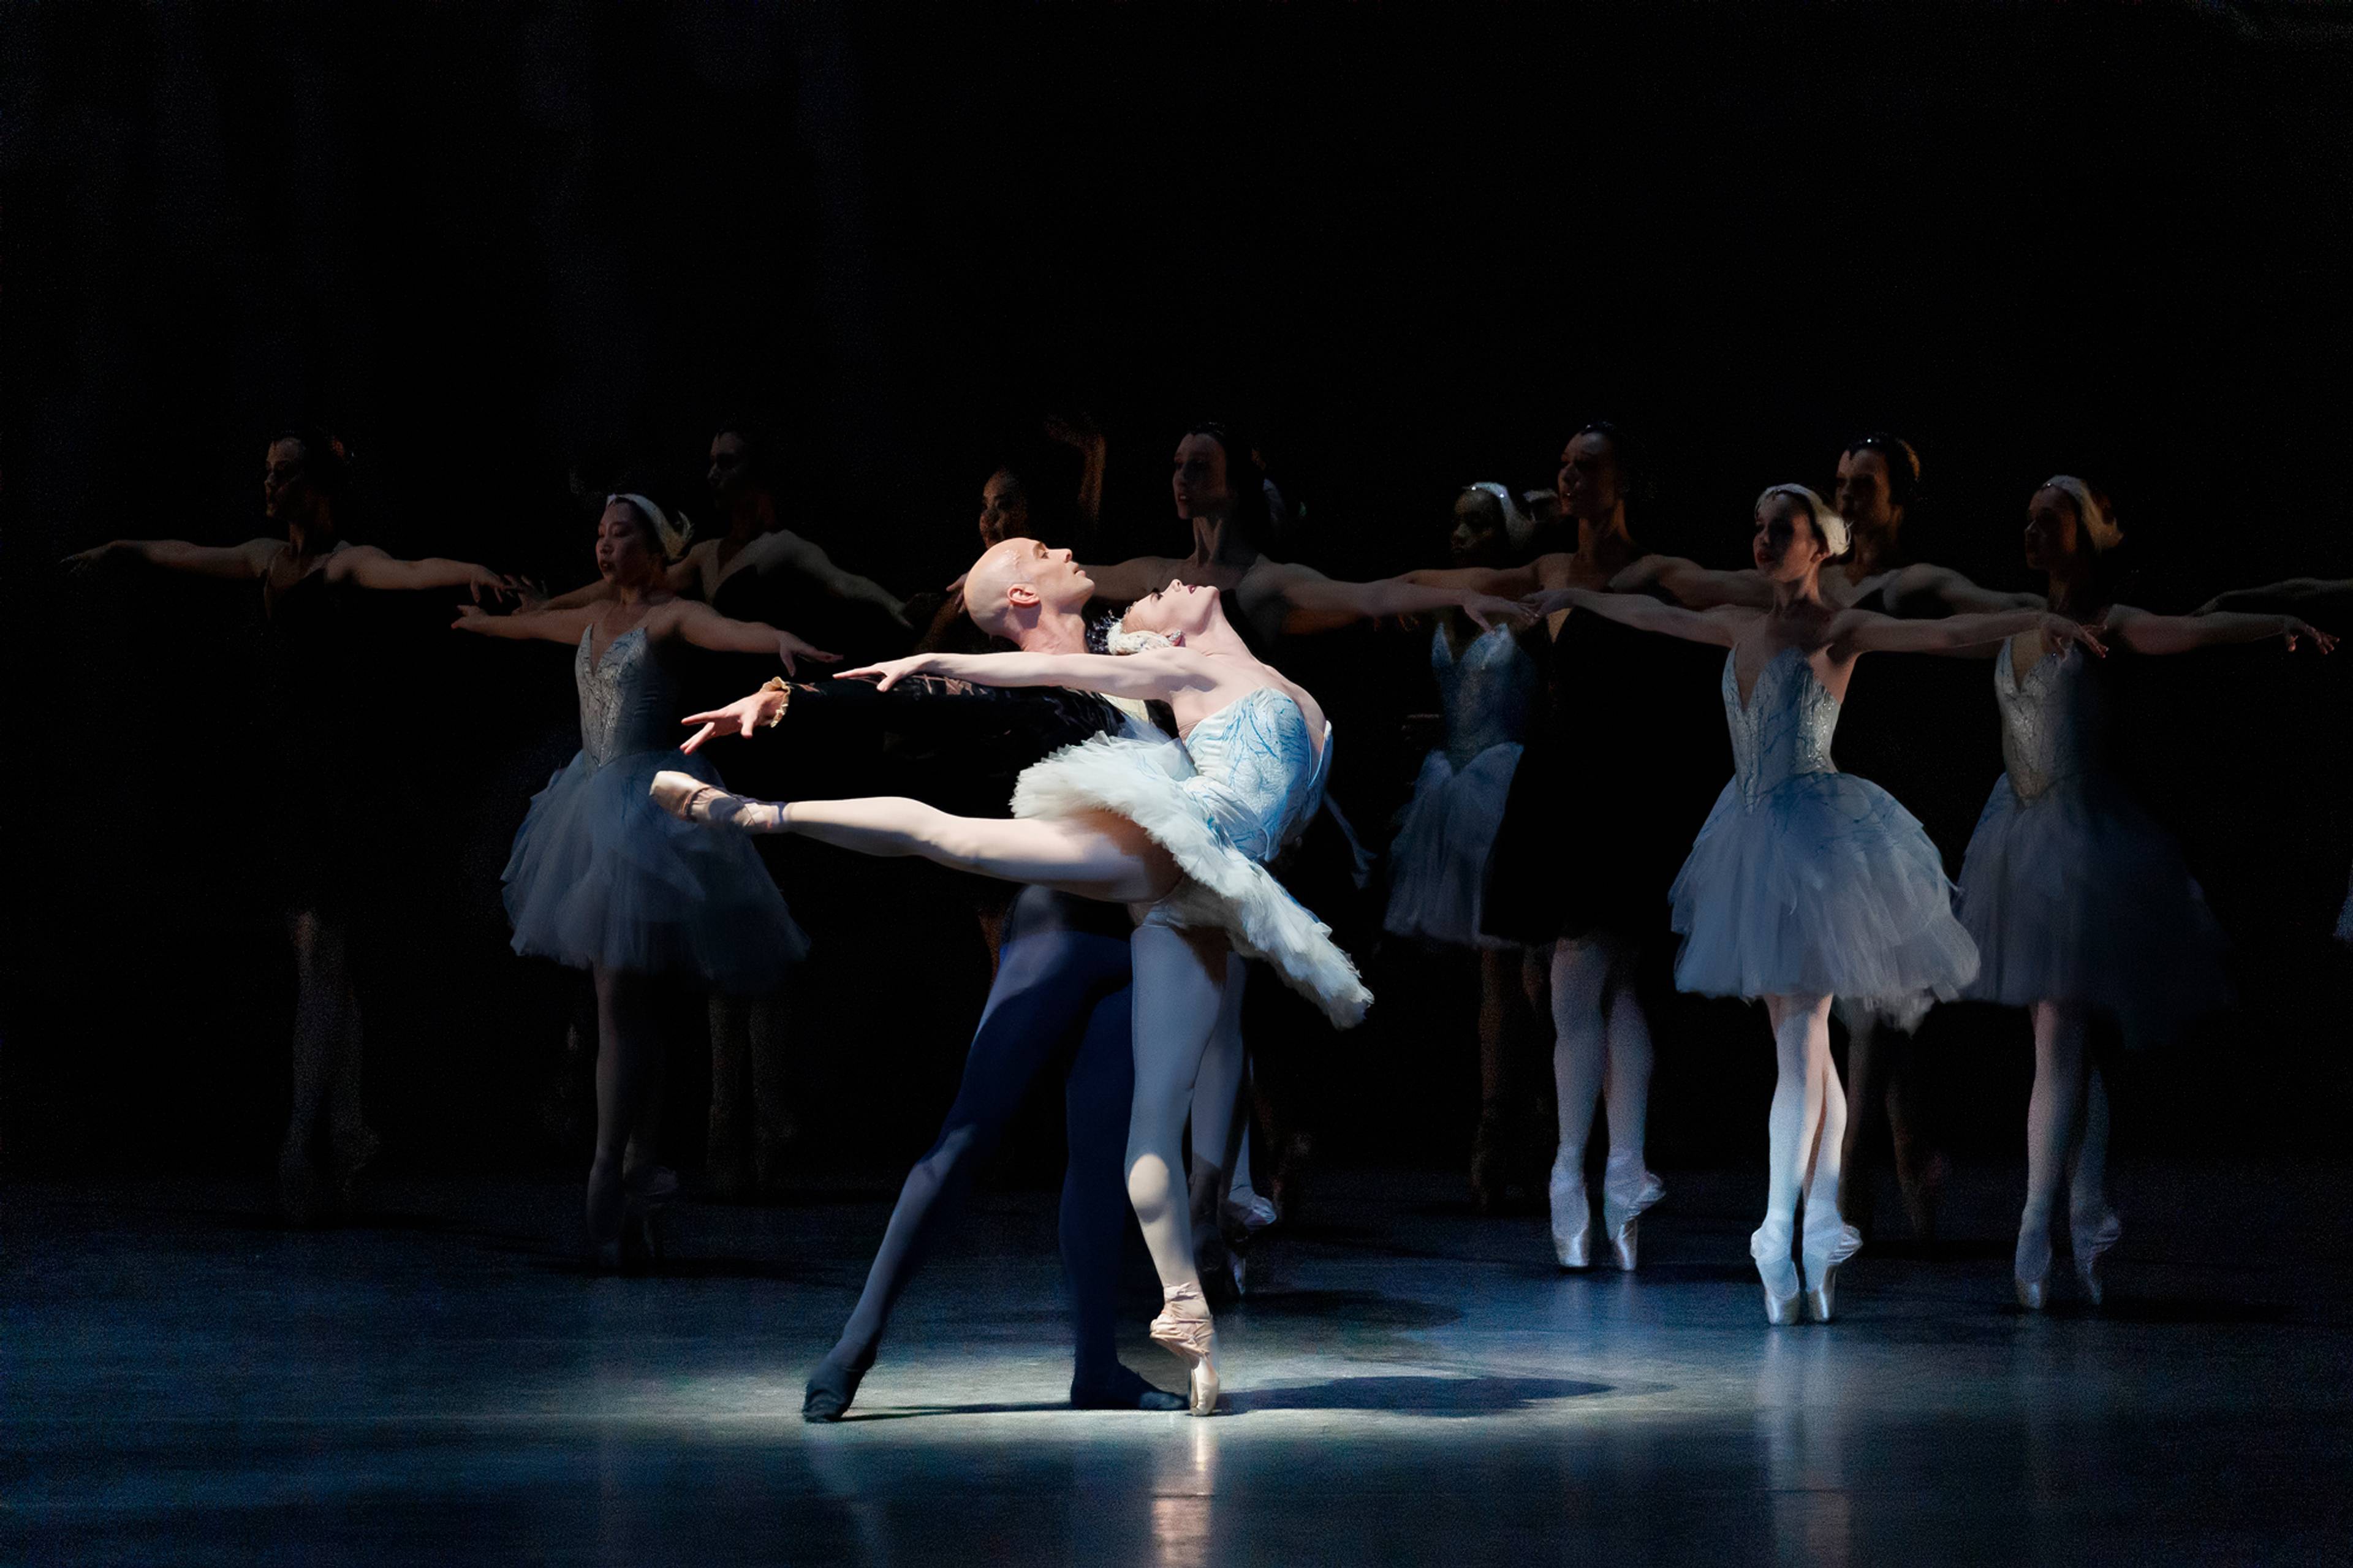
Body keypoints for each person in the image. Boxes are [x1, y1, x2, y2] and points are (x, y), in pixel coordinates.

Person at [657, 551, 1371, 1414]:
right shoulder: (1013, 689)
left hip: (1150, 929)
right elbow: (910, 690)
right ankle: (856, 1339)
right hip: (1060, 927)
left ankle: (1096, 1365)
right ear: (1024, 596)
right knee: (966, 1134)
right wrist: (782, 701)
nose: (1066, 551)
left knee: (1105, 1154)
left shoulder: (1134, 651)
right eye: (1041, 552)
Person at [1526, 483, 2107, 1324]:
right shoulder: (1739, 623)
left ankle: (1777, 1225)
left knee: (1801, 1038)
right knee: (1803, 1042)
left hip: (1822, 843)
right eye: (1756, 528)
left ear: (1819, 546)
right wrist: (1575, 594)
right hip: (1752, 842)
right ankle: (1823, 1215)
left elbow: (1939, 632)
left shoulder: (1840, 627)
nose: (1762, 542)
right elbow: (1655, 618)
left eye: (1780, 531)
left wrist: (2032, 624)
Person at [64, 428, 519, 1222]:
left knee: (321, 959)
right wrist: (120, 547)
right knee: (325, 966)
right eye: (264, 472)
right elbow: (182, 551)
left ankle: (300, 1137)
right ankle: (348, 1131)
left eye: (281, 473)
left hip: (337, 790)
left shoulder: (341, 563)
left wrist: (473, 569)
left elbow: (405, 571)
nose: (266, 484)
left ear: (316, 486)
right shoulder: (261, 557)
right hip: (287, 787)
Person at [1957, 478, 2333, 1308]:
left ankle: (2034, 1228)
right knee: (2064, 1043)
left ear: (2087, 536)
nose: (2032, 527)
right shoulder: (2012, 617)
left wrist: (2279, 625)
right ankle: (2086, 1213)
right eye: (2026, 516)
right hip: (2015, 840)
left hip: (2080, 842)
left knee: (2059, 1032)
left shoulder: (2110, 624)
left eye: (2051, 517)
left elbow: (2193, 630)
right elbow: (1926, 620)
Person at [454, 493, 829, 1266]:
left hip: (645, 810)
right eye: (598, 533)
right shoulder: (593, 619)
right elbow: (534, 624)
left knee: (626, 1001)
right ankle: (635, 1172)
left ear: (655, 550)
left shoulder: (668, 615)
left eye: (619, 533)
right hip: (587, 810)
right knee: (626, 1006)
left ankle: (613, 1169)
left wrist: (777, 639)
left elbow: (724, 631)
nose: (603, 545)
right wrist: (487, 622)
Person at [1401, 424, 1692, 1260]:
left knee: (1606, 971)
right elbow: (1448, 580)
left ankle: (1601, 1168)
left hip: (1623, 783)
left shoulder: (1649, 571)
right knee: (1583, 982)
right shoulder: (1551, 571)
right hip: (1563, 784)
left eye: (1586, 465)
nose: (1568, 477)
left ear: (1623, 478)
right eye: (1561, 465)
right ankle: (1594, 1171)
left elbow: (1731, 588)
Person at [1383, 483, 1544, 1213]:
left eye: (1477, 524)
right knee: (1495, 973)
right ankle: (1498, 1127)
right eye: (1456, 522)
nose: (1460, 536)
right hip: (1455, 790)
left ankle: (1536, 1117)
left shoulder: (1526, 609)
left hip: (1511, 791)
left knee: (1531, 971)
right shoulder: (1441, 607)